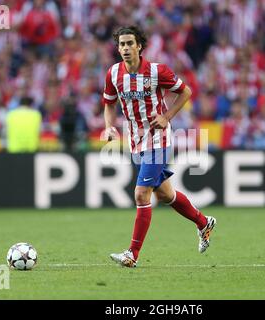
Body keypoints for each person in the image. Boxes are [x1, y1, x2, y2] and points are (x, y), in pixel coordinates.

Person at [103, 26, 216, 268]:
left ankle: (132, 254)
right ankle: (203, 222)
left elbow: (185, 91)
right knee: (165, 194)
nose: (124, 48)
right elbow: (109, 103)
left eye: (129, 43)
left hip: (159, 139)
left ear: (139, 46)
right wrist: (109, 126)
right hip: (135, 142)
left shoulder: (156, 71)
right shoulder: (113, 73)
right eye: (121, 44)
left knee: (141, 193)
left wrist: (167, 117)